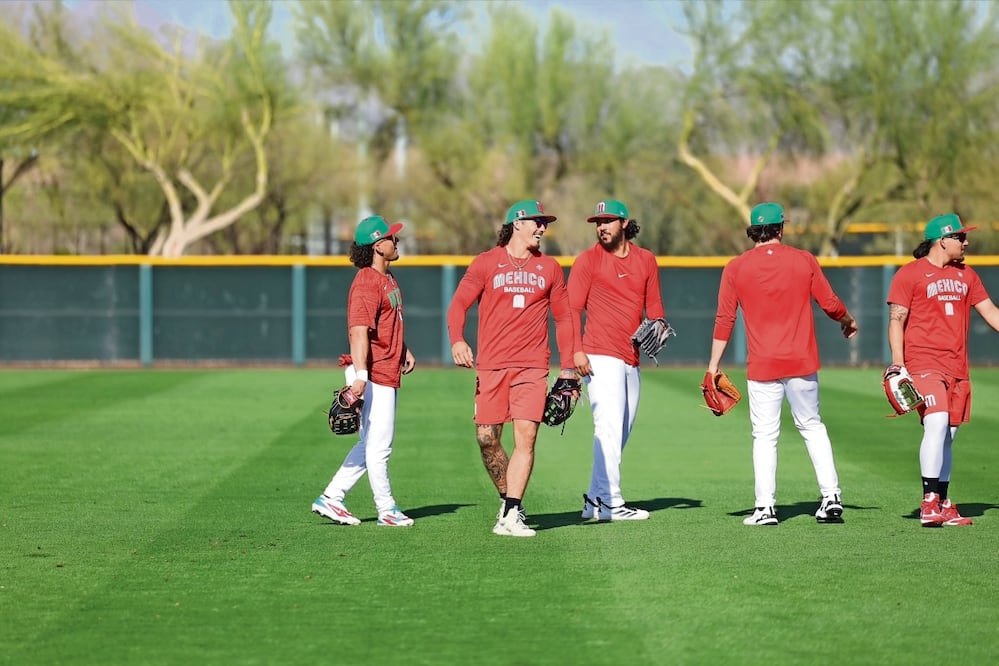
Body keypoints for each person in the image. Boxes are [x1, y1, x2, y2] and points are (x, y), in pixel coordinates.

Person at [707, 202, 858, 526]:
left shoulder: (735, 268)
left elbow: (724, 319)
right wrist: (846, 319)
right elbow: (830, 303)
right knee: (812, 426)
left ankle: (765, 509)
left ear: (753, 231)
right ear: (781, 229)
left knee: (765, 436)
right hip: (802, 361)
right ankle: (831, 496)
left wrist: (713, 366)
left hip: (762, 365)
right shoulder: (804, 260)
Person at [447, 200, 578, 538]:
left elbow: (564, 319)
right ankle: (507, 500)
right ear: (517, 224)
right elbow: (458, 305)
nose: (542, 228)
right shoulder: (486, 263)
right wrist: (457, 340)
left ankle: (513, 510)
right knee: (486, 438)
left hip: (532, 366)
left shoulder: (549, 268)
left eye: (544, 223)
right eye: (537, 222)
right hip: (491, 366)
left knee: (527, 437)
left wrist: (567, 368)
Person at [886, 213, 999, 527]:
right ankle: (929, 501)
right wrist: (898, 363)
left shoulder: (967, 276)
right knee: (936, 424)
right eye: (960, 237)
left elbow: (991, 313)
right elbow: (897, 320)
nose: (966, 242)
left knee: (947, 434)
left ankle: (944, 501)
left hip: (958, 368)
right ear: (943, 240)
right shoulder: (909, 275)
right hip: (924, 365)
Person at [312, 215, 417, 528]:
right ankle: (387, 509)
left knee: (369, 443)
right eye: (390, 238)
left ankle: (332, 497)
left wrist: (404, 348)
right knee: (380, 446)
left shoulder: (388, 277)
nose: (395, 241)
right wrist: (360, 376)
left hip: (383, 367)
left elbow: (389, 322)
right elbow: (359, 331)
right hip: (372, 372)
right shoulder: (366, 283)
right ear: (376, 246)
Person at [568, 199, 666, 521]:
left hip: (631, 357)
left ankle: (595, 500)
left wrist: (659, 324)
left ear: (624, 223)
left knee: (621, 431)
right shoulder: (588, 261)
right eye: (598, 221)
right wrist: (576, 351)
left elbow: (655, 308)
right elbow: (571, 310)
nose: (601, 227)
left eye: (608, 220)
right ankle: (613, 502)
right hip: (598, 354)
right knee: (608, 428)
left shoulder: (646, 260)